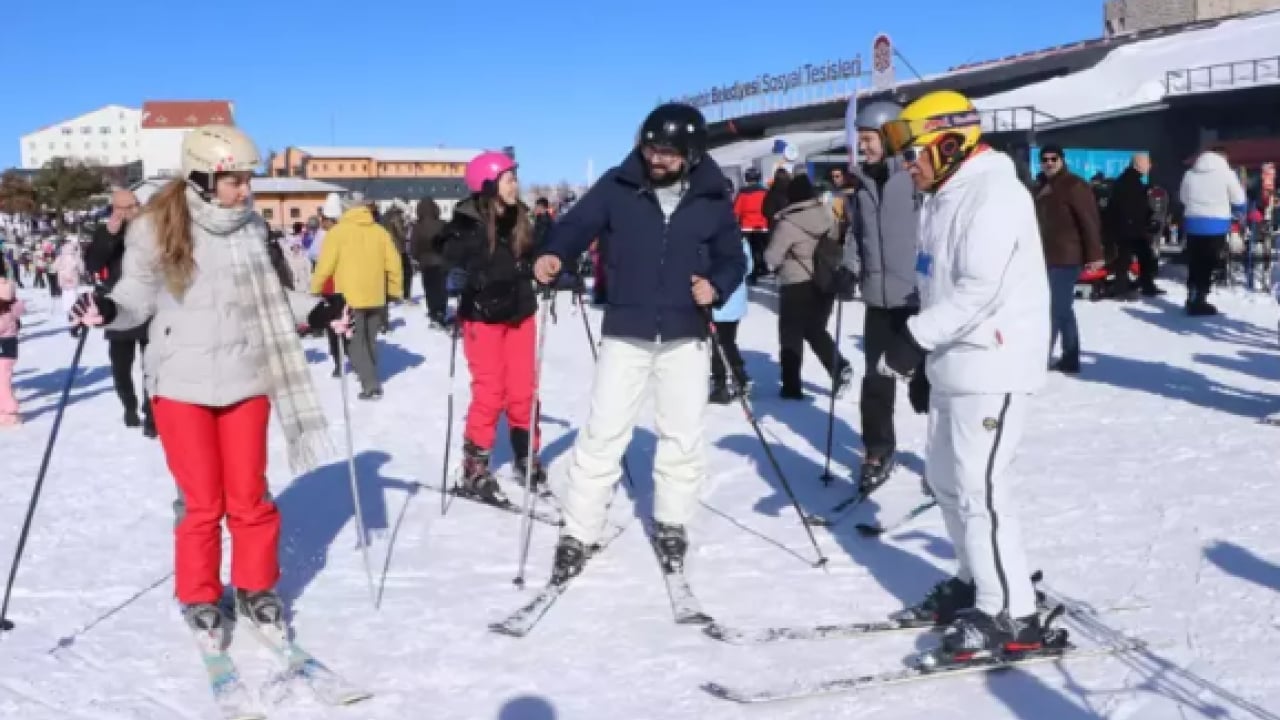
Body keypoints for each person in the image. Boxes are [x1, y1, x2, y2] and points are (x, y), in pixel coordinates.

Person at [69, 124, 332, 635]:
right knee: (202, 502)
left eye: (246, 179)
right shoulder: (158, 226)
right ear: (202, 178)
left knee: (250, 496)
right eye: (234, 180)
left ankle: (256, 586)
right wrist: (106, 308)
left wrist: (318, 310)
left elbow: (271, 298)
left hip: (246, 378)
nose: (245, 190)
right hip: (180, 384)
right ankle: (200, 593)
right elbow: (136, 296)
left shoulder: (252, 228)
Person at [533, 102, 746, 583]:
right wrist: (551, 254)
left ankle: (672, 522)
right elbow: (573, 226)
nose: (657, 160)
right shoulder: (618, 185)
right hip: (626, 330)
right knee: (603, 434)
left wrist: (716, 285)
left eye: (669, 153)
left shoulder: (712, 199)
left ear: (691, 154)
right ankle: (579, 531)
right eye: (651, 148)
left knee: (682, 436)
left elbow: (733, 260)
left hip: (686, 334)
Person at [876, 90, 1051, 660]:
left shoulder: (995, 192)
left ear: (951, 143)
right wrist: (920, 335)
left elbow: (982, 289)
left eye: (914, 152)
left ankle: (1013, 612)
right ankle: (977, 580)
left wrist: (915, 340)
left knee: (983, 489)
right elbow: (939, 280)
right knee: (947, 483)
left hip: (992, 362)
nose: (907, 165)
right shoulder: (942, 195)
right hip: (954, 359)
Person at [437, 151, 544, 502]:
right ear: (489, 184)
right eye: (509, 179)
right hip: (482, 317)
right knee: (491, 391)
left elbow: (536, 256)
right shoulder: (466, 224)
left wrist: (555, 268)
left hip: (520, 313)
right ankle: (475, 466)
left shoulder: (521, 218)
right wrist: (456, 270)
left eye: (515, 178)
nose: (516, 185)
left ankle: (526, 454)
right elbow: (442, 250)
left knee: (523, 389)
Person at [845, 100, 925, 490]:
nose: (864, 147)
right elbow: (855, 236)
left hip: (916, 298)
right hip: (877, 298)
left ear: (892, 136)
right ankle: (877, 449)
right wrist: (849, 268)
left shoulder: (914, 178)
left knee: (930, 381)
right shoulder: (859, 185)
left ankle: (947, 456)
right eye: (861, 139)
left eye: (870, 139)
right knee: (876, 380)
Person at [763, 173, 851, 400]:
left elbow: (772, 257)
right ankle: (839, 366)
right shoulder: (827, 214)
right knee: (816, 330)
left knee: (790, 334)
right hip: (824, 281)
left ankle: (791, 386)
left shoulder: (788, 223)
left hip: (796, 284)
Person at [309, 194, 403, 399]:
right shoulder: (379, 232)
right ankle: (371, 375)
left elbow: (325, 265)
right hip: (376, 296)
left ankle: (371, 384)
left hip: (349, 298)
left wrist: (315, 288)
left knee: (354, 343)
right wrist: (395, 290)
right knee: (370, 339)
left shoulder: (338, 233)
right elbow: (394, 264)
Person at [85, 189, 154, 435]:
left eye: (133, 206)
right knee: (121, 367)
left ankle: (152, 415)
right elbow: (93, 264)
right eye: (123, 207)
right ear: (114, 209)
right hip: (119, 306)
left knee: (152, 367)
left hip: (149, 306)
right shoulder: (105, 232)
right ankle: (129, 406)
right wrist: (110, 237)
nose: (129, 212)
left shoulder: (150, 229)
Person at [1033, 145, 1104, 374]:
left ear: (1062, 160)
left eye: (1054, 159)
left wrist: (1095, 255)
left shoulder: (1075, 185)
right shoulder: (1041, 186)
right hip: (1047, 256)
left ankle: (1041, 358)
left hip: (1067, 256)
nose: (1049, 163)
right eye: (1045, 159)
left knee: (1055, 308)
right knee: (1063, 309)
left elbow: (1089, 220)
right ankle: (1071, 357)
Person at [1179, 147, 1246, 316]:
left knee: (1195, 261)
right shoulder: (1227, 173)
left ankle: (1192, 294)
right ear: (1223, 158)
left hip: (1193, 224)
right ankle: (1200, 299)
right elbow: (1239, 199)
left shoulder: (1190, 174)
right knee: (1208, 263)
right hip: (1216, 225)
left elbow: (1183, 198)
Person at [1105, 153, 1163, 299]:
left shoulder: (1129, 180)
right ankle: (1126, 288)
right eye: (1147, 163)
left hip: (1128, 226)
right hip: (1130, 228)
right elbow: (1132, 206)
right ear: (1139, 165)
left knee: (1138, 257)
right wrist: (1146, 220)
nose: (1150, 166)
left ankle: (1139, 285)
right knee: (1131, 258)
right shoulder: (1130, 182)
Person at [710, 220, 753, 405]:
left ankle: (725, 383)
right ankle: (738, 377)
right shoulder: (742, 242)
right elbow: (748, 267)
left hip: (721, 303)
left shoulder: (715, 245)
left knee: (719, 346)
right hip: (735, 304)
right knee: (727, 342)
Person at [411, 197, 450, 329]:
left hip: (426, 263)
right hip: (442, 261)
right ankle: (441, 311)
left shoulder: (417, 227)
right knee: (442, 288)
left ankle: (434, 312)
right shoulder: (443, 224)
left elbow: (414, 247)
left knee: (430, 288)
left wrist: (417, 258)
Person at [733, 167, 769, 285]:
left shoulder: (743, 193)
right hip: (762, 226)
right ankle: (762, 268)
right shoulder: (765, 192)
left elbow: (736, 211)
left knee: (749, 251)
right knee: (761, 249)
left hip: (746, 227)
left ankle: (752, 273)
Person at [0, 268, 23, 427]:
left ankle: (10, 411)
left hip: (4, 351)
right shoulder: (13, 309)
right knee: (3, 380)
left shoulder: (4, 316)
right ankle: (5, 407)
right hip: (9, 350)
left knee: (3, 382)